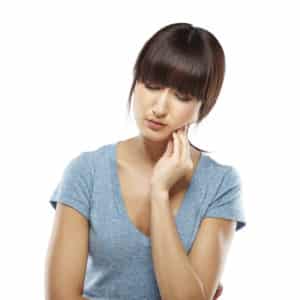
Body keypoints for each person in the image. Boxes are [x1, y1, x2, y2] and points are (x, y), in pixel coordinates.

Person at [45, 22, 246, 300]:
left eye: (182, 96)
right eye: (151, 85)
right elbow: (60, 297)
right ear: (136, 82)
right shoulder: (86, 172)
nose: (160, 108)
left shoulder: (221, 184)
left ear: (203, 106)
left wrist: (159, 193)